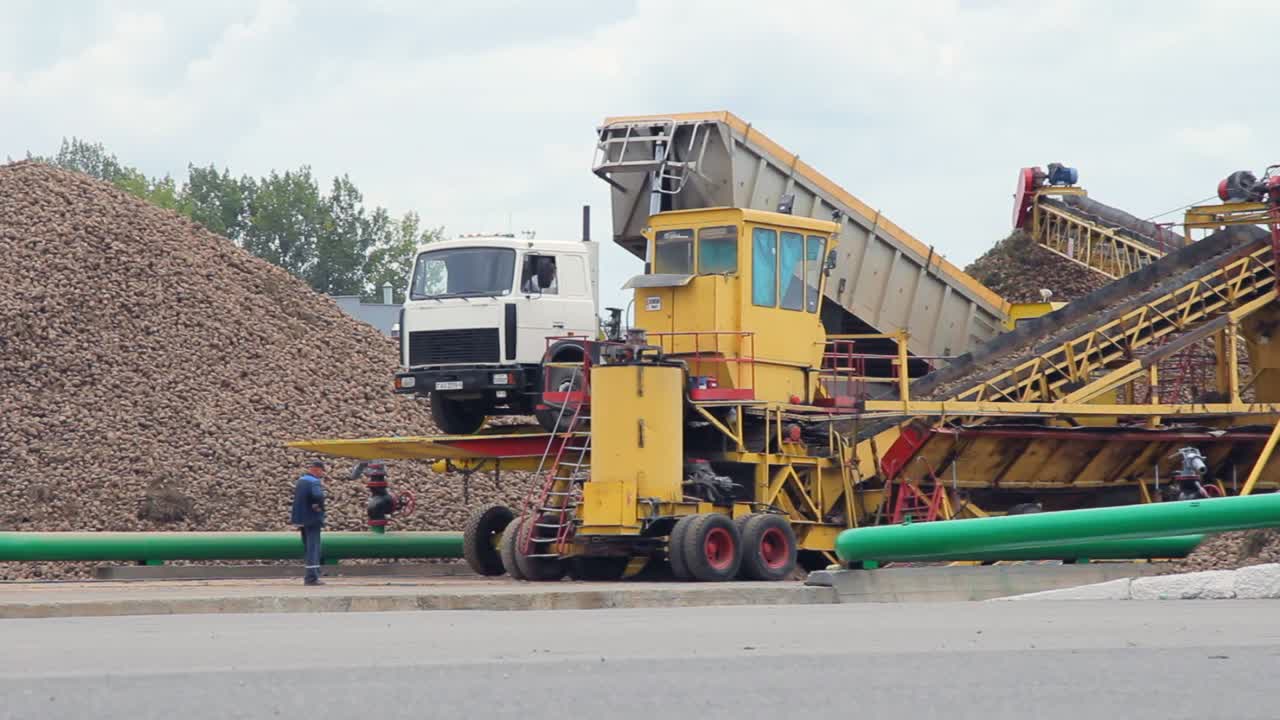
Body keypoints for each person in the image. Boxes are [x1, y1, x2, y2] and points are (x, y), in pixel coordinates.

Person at [291, 460, 327, 585]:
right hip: (312, 519)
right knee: (314, 547)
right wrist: (320, 507)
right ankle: (312, 577)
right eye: (322, 471)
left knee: (308, 547)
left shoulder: (301, 480)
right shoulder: (314, 481)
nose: (322, 474)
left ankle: (312, 573)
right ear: (317, 469)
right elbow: (318, 496)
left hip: (301, 519)